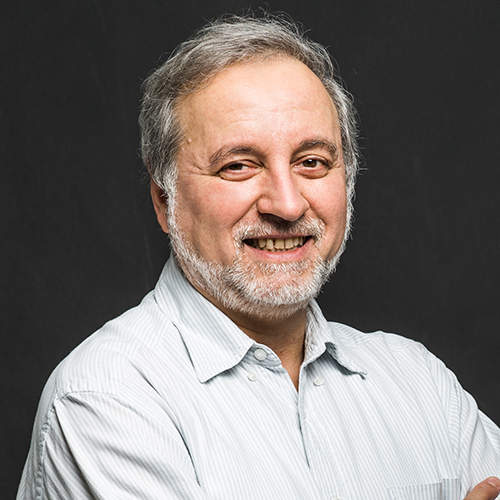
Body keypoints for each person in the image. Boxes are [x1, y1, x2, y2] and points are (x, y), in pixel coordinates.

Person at [17, 13, 500, 500]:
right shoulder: (106, 400)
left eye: (312, 162)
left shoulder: (420, 383)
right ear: (165, 200)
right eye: (239, 166)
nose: (287, 205)